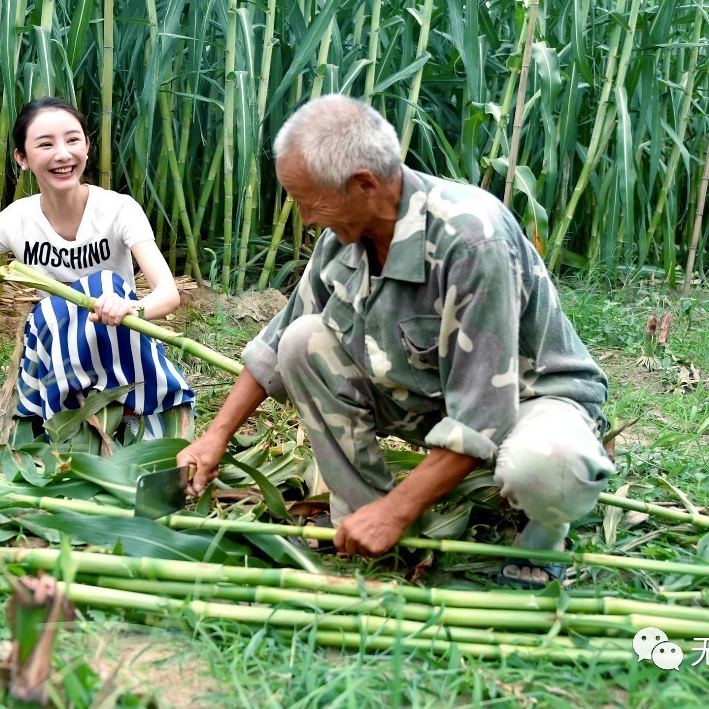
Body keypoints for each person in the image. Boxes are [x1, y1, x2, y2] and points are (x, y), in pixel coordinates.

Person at [176, 94, 613, 587]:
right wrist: (212, 440)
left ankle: (540, 539)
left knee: (545, 467)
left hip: (527, 400)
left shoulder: (471, 241)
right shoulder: (344, 238)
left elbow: (481, 414)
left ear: (363, 184)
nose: (305, 219)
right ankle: (361, 518)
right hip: (434, 401)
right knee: (303, 341)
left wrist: (398, 511)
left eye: (307, 201)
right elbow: (276, 347)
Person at [0, 97, 194, 439]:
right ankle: (69, 421)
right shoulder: (17, 219)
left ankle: (132, 410)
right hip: (55, 350)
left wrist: (131, 306)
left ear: (88, 147)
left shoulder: (119, 210)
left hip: (120, 340)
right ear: (22, 158)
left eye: (73, 140)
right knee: (54, 307)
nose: (63, 154)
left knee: (102, 286)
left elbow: (168, 294)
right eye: (45, 144)